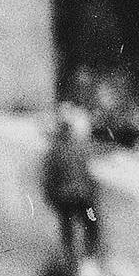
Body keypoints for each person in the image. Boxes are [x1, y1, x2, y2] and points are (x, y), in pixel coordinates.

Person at [39, 108, 98, 260]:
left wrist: (51, 198)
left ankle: (72, 254)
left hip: (67, 199)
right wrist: (92, 192)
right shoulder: (77, 149)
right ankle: (90, 251)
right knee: (91, 220)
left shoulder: (55, 152)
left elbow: (48, 178)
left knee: (69, 225)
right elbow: (88, 174)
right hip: (81, 198)